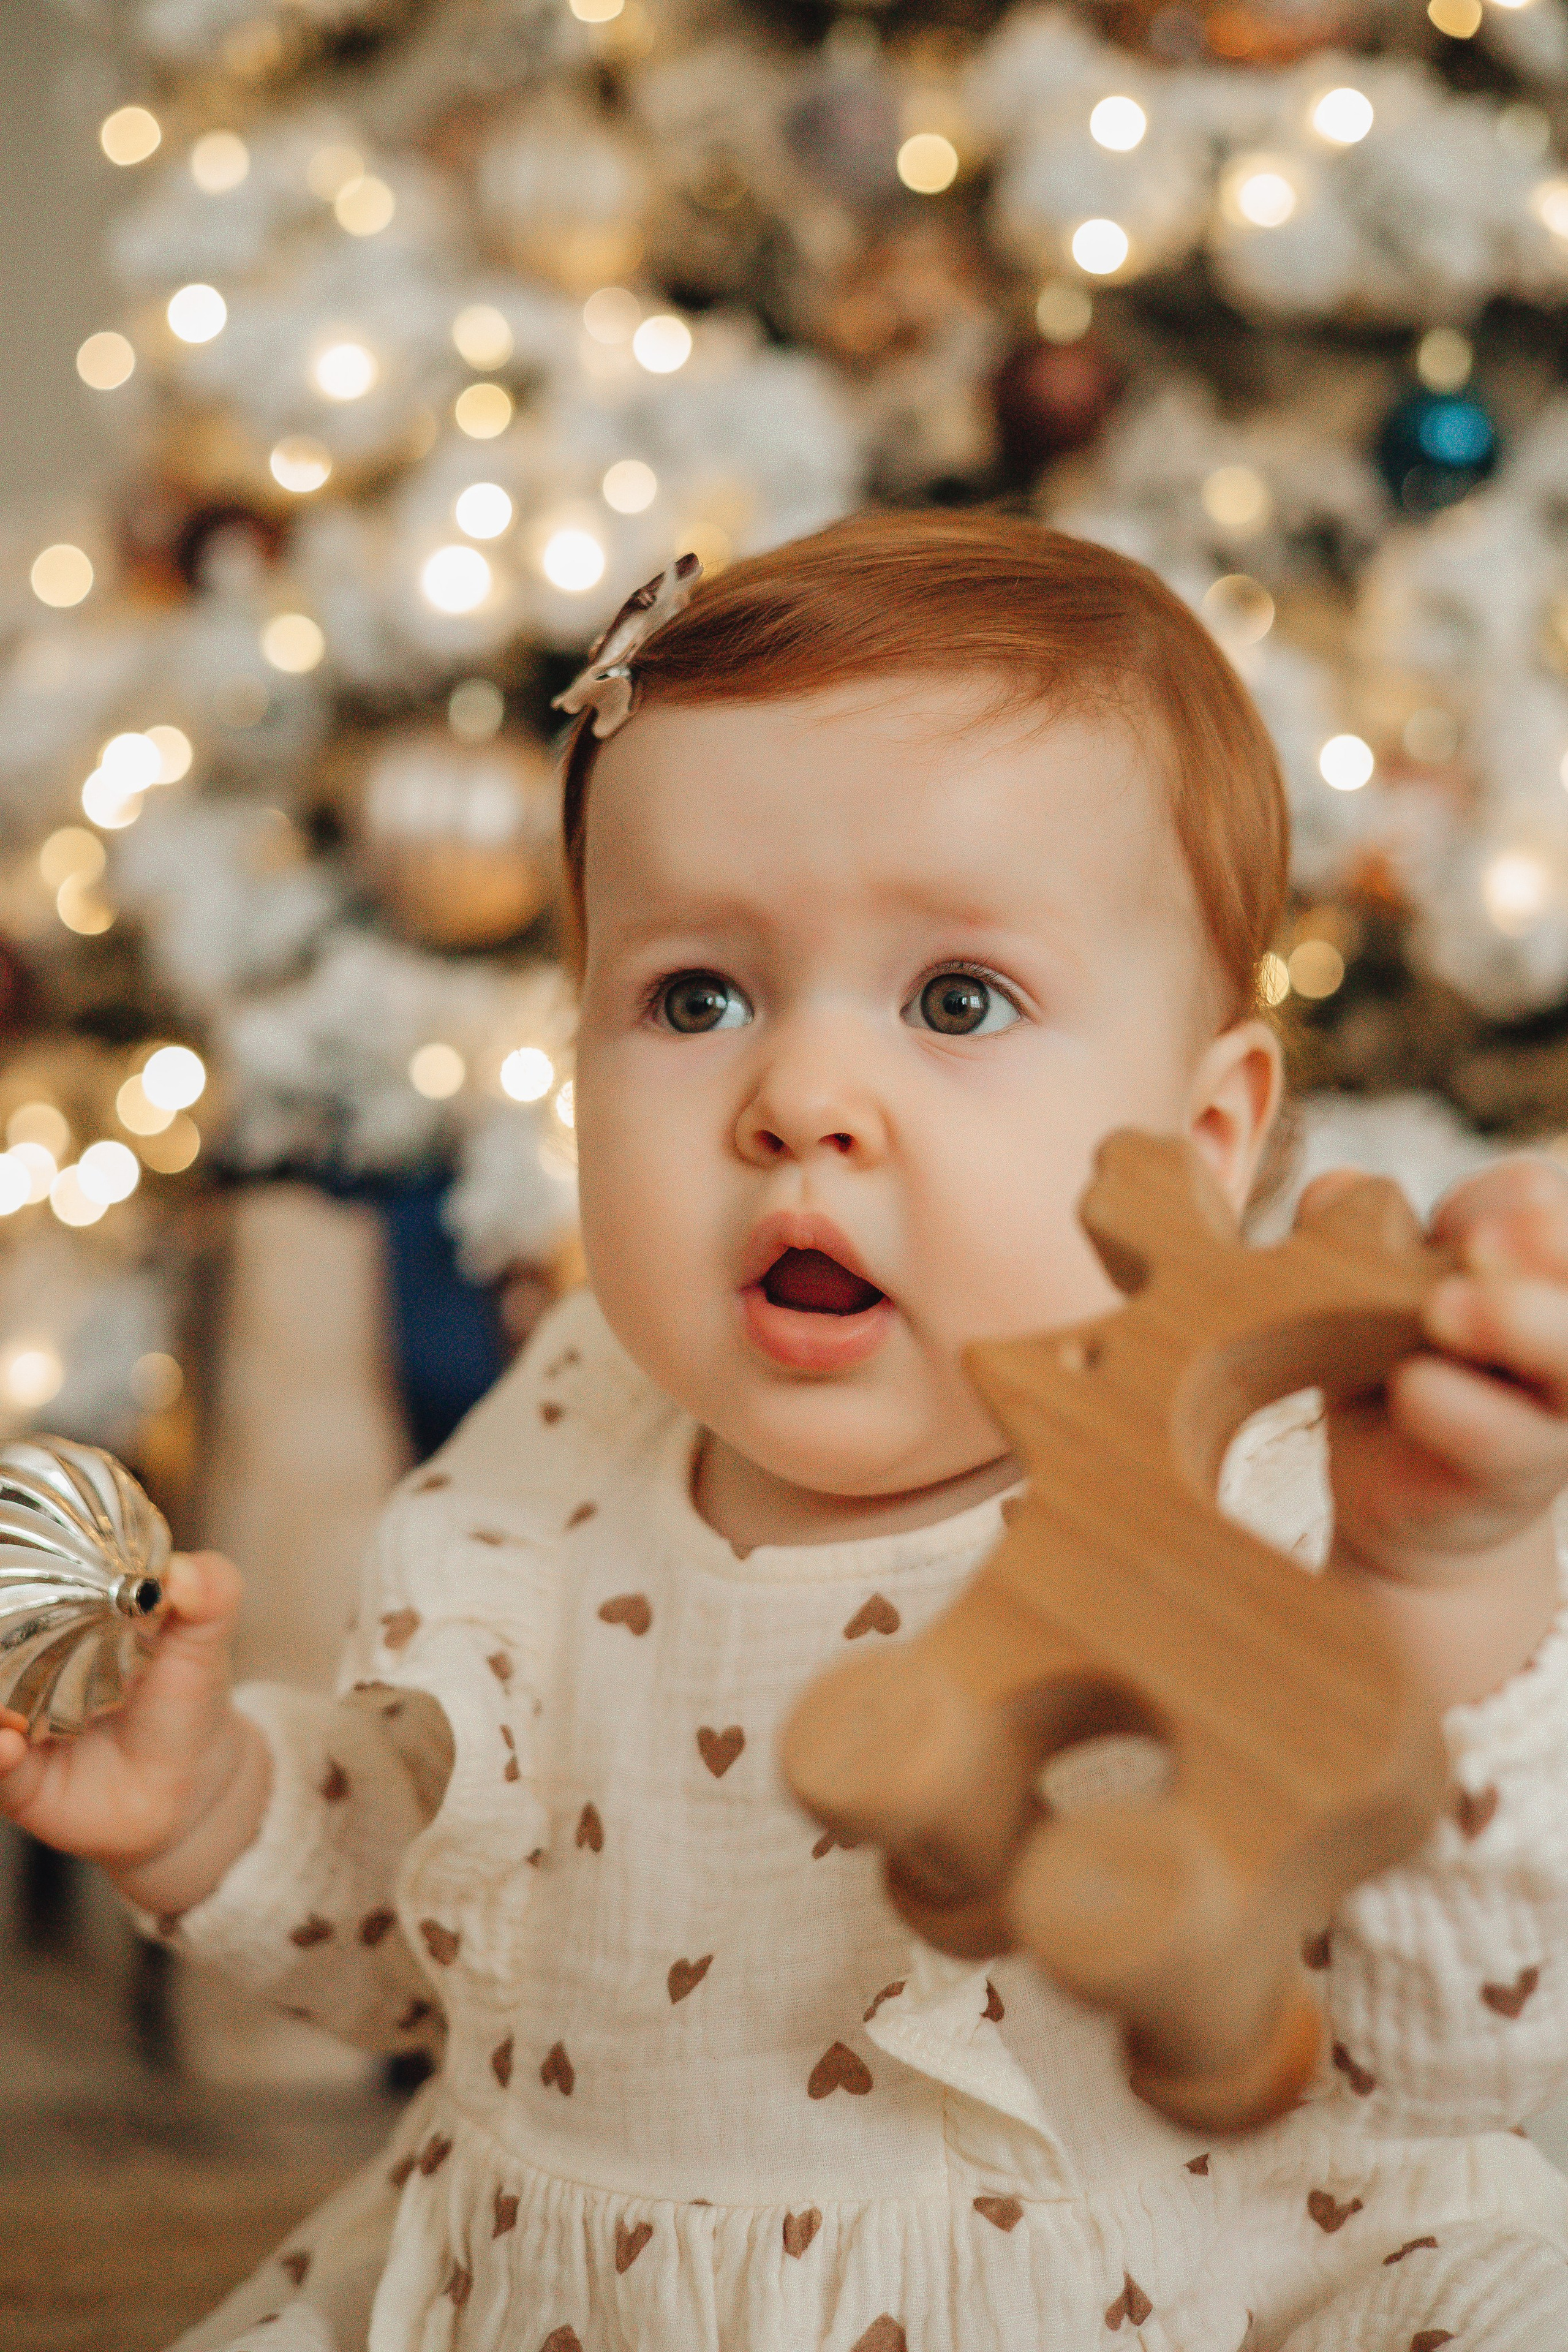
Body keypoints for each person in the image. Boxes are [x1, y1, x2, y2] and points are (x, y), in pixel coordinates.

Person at [6, 510, 1568, 2352]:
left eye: (957, 999)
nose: (802, 1097)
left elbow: (1468, 2048)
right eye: (696, 997)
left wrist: (1445, 1584)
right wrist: (210, 1814)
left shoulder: (1289, 1488)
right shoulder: (572, 1435)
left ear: (1207, 1141)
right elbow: (456, 1938)